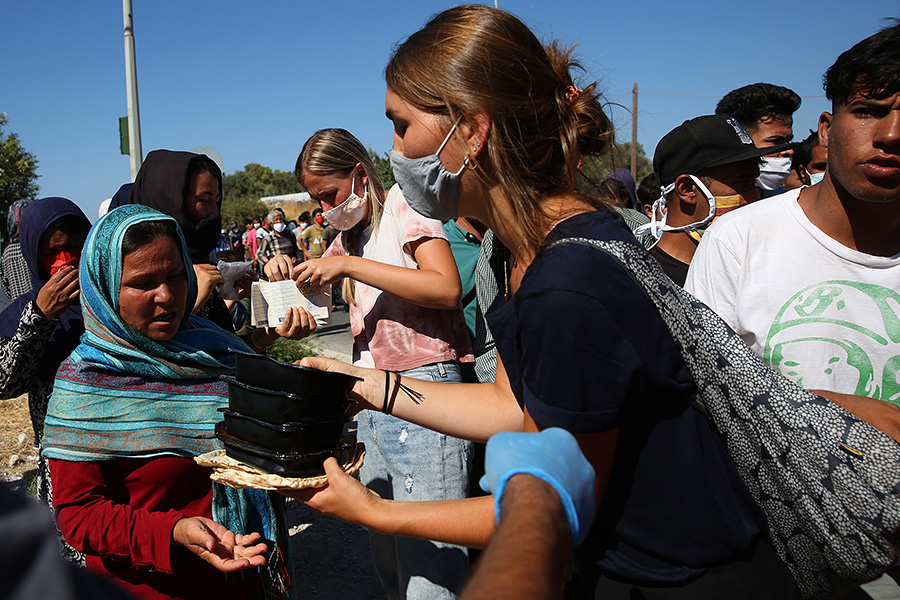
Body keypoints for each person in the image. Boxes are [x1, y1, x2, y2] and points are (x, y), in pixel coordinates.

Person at [288, 6, 795, 599]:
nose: (394, 151)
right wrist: (361, 383)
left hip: (678, 580)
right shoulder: (517, 250)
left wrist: (376, 512)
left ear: (472, 133)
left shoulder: (566, 283)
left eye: (400, 126)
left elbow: (553, 507)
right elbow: (511, 406)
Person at [43, 205, 311, 600]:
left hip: (245, 576)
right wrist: (173, 532)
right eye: (143, 282)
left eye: (174, 275)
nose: (166, 295)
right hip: (154, 585)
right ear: (103, 288)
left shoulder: (217, 349)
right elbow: (78, 514)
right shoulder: (85, 386)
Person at [266, 127, 474, 600]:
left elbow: (444, 288)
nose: (325, 210)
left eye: (330, 195)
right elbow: (311, 301)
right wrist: (281, 280)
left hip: (426, 390)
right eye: (317, 200)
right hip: (373, 401)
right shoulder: (347, 237)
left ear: (360, 173)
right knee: (390, 560)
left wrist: (349, 267)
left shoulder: (406, 205)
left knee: (430, 565)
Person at [686, 21, 900, 425]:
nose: (891, 134)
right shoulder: (738, 241)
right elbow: (703, 397)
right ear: (826, 127)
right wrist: (830, 411)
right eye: (869, 111)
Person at [0, 197, 91, 518]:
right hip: (65, 473)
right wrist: (40, 317)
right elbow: (6, 384)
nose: (64, 261)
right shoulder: (23, 313)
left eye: (74, 248)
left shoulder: (115, 299)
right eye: (51, 253)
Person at [639, 114, 791, 286]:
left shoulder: (753, 268)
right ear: (687, 189)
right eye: (742, 183)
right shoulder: (648, 284)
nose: (756, 195)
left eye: (754, 182)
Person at [715, 83, 801, 194]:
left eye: (788, 141)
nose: (789, 151)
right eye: (775, 141)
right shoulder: (704, 206)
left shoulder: (791, 202)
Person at [1, 198, 34, 300]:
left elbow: (7, 289)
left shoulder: (6, 254)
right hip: (41, 307)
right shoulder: (33, 248)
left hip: (19, 309)